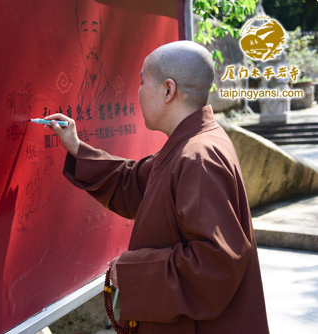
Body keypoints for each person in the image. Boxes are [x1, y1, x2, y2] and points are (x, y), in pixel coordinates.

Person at [45, 41, 270, 333]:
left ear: (168, 90)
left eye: (142, 81)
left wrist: (129, 271)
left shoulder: (198, 157)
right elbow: (133, 182)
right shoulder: (191, 144)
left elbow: (214, 264)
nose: (137, 92)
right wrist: (76, 147)